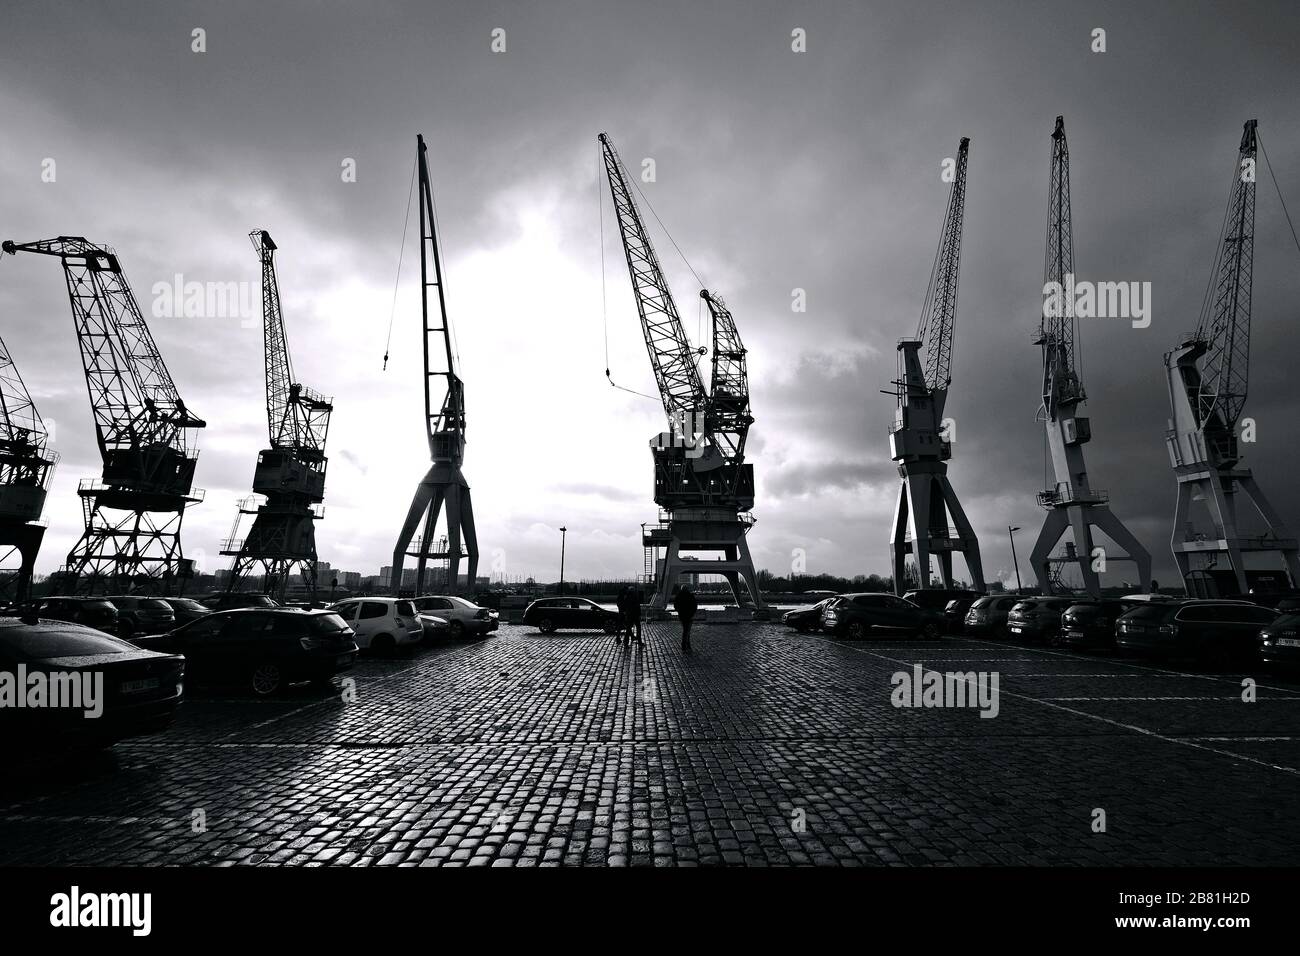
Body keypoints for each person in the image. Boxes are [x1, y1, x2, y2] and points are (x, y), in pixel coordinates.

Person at [672, 584, 698, 653]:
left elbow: (675, 606)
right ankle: (685, 646)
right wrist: (692, 613)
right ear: (687, 589)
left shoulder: (678, 596)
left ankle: (687, 646)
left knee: (686, 630)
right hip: (689, 616)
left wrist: (679, 611)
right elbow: (695, 606)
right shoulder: (691, 596)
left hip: (682, 616)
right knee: (687, 631)